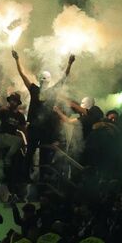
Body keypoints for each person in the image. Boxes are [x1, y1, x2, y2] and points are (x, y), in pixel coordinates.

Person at [12, 50, 74, 178]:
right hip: (43, 128)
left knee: (32, 153)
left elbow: (22, 74)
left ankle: (29, 177)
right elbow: (64, 77)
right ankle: (39, 178)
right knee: (41, 154)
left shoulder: (36, 89)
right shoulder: (49, 91)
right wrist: (69, 64)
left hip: (39, 128)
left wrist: (17, 59)